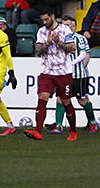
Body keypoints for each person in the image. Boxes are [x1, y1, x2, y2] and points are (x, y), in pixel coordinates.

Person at [23, 10, 77, 141]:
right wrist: (46, 43)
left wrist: (59, 43)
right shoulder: (41, 31)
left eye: (46, 19)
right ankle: (37, 131)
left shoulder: (65, 30)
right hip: (47, 71)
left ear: (53, 16)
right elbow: (38, 51)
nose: (45, 22)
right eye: (43, 20)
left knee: (66, 102)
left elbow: (72, 48)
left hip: (63, 72)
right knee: (42, 97)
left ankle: (73, 131)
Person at [47, 16, 97, 134]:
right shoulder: (59, 39)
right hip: (63, 75)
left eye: (69, 25)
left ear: (74, 27)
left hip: (78, 75)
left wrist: (71, 63)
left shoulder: (79, 38)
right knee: (60, 99)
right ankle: (59, 126)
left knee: (82, 100)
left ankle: (93, 123)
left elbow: (84, 54)